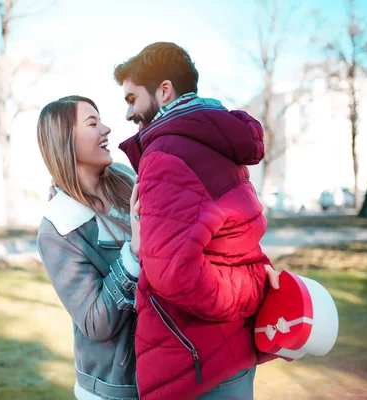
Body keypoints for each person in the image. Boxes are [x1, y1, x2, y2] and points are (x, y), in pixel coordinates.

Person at [114, 42, 280, 399]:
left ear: (164, 90)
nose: (128, 114)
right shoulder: (214, 143)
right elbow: (237, 239)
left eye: (131, 99)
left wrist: (250, 292)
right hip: (229, 352)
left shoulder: (166, 154)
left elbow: (176, 275)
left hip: (194, 365)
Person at [36, 95, 142, 400]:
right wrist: (133, 253)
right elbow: (96, 323)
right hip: (114, 388)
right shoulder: (58, 227)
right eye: (93, 123)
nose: (106, 129)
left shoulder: (125, 178)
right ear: (65, 140)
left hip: (165, 369)